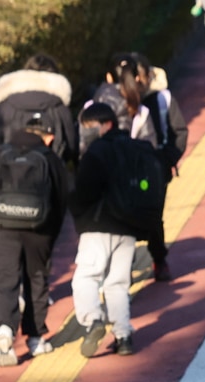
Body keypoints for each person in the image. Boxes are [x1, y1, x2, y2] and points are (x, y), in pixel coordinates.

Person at [0, 121, 69, 365]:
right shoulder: (48, 157)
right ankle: (35, 338)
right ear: (47, 137)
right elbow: (61, 197)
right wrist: (51, 234)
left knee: (4, 279)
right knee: (36, 280)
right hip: (39, 229)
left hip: (1, 225)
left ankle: (4, 329)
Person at [94, 54, 188, 281]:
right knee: (151, 215)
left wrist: (167, 159)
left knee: (128, 216)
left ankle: (144, 261)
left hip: (134, 172)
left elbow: (178, 132)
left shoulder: (105, 103)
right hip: (150, 171)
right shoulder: (128, 104)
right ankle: (154, 260)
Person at [70, 102, 143, 357]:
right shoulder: (134, 149)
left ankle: (93, 320)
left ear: (107, 124)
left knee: (86, 277)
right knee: (118, 283)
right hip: (128, 226)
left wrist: (78, 215)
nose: (87, 132)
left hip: (97, 225)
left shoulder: (97, 152)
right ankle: (123, 336)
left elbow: (83, 191)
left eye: (91, 127)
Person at [0, 53, 78, 164]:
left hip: (11, 173)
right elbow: (71, 145)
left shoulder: (8, 106)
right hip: (50, 173)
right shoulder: (59, 107)